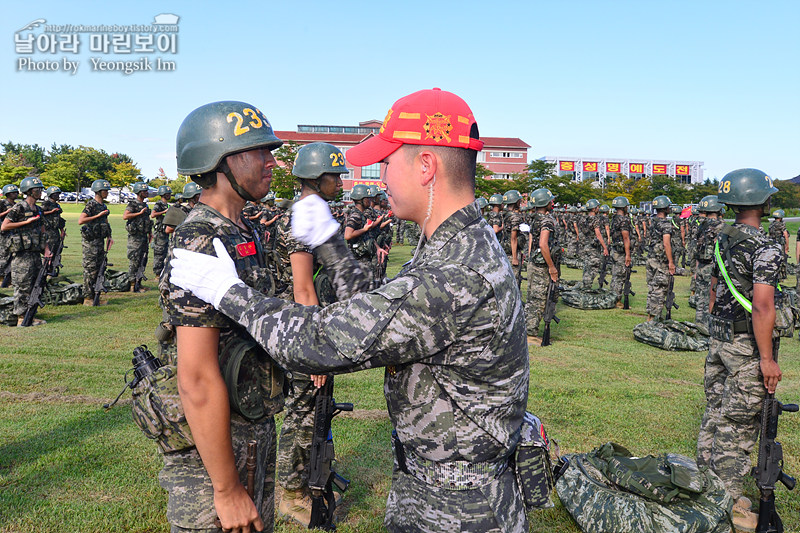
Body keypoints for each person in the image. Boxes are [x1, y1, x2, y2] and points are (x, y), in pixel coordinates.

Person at [170, 88, 530, 533]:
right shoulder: (457, 244)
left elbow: (322, 341)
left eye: (386, 163)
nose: (380, 179)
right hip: (444, 488)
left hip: (459, 507)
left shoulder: (454, 273)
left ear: (425, 166)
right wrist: (333, 247)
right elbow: (381, 307)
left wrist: (229, 291)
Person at [158, 100, 286, 533]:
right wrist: (227, 488)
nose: (273, 162)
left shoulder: (241, 228)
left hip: (250, 424)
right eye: (260, 152)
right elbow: (195, 376)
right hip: (214, 450)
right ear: (219, 160)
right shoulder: (200, 237)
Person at [696, 168, 783, 532]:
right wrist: (766, 359)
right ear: (763, 201)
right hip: (747, 344)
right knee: (738, 424)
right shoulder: (765, 247)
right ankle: (726, 502)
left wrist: (718, 329)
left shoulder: (721, 237)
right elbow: (763, 307)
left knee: (716, 413)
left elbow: (715, 286)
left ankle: (704, 484)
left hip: (720, 339)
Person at [273, 142, 346, 525]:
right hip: (302, 331)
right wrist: (314, 350)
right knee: (303, 412)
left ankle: (304, 483)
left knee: (314, 411)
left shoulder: (314, 213)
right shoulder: (302, 220)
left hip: (315, 326)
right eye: (335, 174)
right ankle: (291, 492)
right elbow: (303, 289)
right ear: (318, 177)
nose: (340, 181)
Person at [0, 177, 50, 326]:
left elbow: (42, 230)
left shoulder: (38, 209)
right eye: (37, 189)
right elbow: (4, 226)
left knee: (35, 283)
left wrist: (46, 249)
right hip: (21, 254)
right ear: (29, 191)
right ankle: (22, 317)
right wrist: (26, 222)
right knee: (22, 284)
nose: (40, 192)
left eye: (40, 189)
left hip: (35, 252)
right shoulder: (19, 208)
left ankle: (31, 314)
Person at [525, 187, 559, 340]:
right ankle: (530, 333)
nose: (553, 202)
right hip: (542, 265)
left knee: (532, 298)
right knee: (538, 300)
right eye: (550, 200)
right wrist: (552, 267)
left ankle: (527, 329)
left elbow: (532, 241)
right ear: (545, 203)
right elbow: (543, 244)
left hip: (534, 262)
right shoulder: (546, 220)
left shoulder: (535, 219)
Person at [78, 179, 113, 306]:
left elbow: (105, 222)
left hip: (100, 241)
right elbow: (81, 220)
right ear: (98, 191)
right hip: (90, 242)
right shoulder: (91, 205)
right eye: (105, 190)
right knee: (90, 268)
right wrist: (97, 216)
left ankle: (95, 296)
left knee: (99, 268)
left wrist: (109, 236)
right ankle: (87, 298)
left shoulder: (103, 206)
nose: (107, 193)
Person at [693, 195, 726, 331]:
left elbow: (697, 247)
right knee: (712, 297)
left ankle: (699, 323)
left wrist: (695, 269)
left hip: (700, 265)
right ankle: (708, 326)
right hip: (712, 267)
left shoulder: (702, 225)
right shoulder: (721, 227)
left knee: (701, 297)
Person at [645, 195, 675, 320]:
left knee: (652, 288)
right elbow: (666, 243)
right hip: (660, 261)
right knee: (659, 289)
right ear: (665, 208)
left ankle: (650, 315)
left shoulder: (653, 221)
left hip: (650, 258)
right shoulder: (665, 224)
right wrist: (671, 262)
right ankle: (653, 318)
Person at [123, 182, 153, 292]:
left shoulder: (145, 205)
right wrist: (139, 213)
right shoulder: (133, 204)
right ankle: (132, 285)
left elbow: (147, 220)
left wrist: (150, 232)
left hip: (144, 236)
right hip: (135, 237)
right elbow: (125, 216)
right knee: (134, 260)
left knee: (143, 260)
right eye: (144, 191)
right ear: (139, 193)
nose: (147, 193)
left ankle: (139, 283)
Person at [609, 196, 632, 304]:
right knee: (620, 276)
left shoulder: (614, 218)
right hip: (621, 251)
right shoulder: (624, 220)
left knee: (615, 274)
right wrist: (628, 254)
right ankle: (616, 300)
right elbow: (626, 237)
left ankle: (612, 296)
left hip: (614, 249)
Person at [581, 198, 608, 288]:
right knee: (593, 267)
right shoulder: (595, 219)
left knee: (587, 266)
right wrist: (605, 247)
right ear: (593, 208)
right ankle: (587, 286)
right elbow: (598, 234)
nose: (598, 208)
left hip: (586, 245)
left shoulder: (584, 219)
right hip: (593, 247)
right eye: (597, 207)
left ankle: (585, 284)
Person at [0, 184, 20, 288]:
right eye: (13, 192)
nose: (15, 194)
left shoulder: (17, 205)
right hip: (4, 234)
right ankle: (1, 279)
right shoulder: (2, 203)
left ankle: (10, 279)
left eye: (16, 192)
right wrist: (6, 212)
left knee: (13, 257)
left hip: (15, 234)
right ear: (7, 194)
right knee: (3, 257)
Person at [150, 185, 172, 277]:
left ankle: (163, 272)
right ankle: (157, 274)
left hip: (165, 231)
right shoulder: (158, 204)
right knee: (159, 252)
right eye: (168, 194)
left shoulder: (167, 205)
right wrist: (164, 211)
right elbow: (153, 214)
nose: (170, 195)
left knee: (165, 252)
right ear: (163, 194)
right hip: (159, 232)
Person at [41, 186, 66, 258]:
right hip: (48, 230)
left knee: (57, 249)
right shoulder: (46, 203)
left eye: (58, 194)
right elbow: (40, 213)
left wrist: (62, 230)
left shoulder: (57, 205)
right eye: (55, 194)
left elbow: (59, 218)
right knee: (49, 250)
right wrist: (51, 212)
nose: (57, 196)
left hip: (55, 231)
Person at [768, 209, 788, 281]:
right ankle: (783, 276)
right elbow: (785, 234)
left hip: (772, 244)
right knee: (783, 259)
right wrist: (787, 246)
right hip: (780, 244)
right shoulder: (781, 225)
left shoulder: (771, 224)